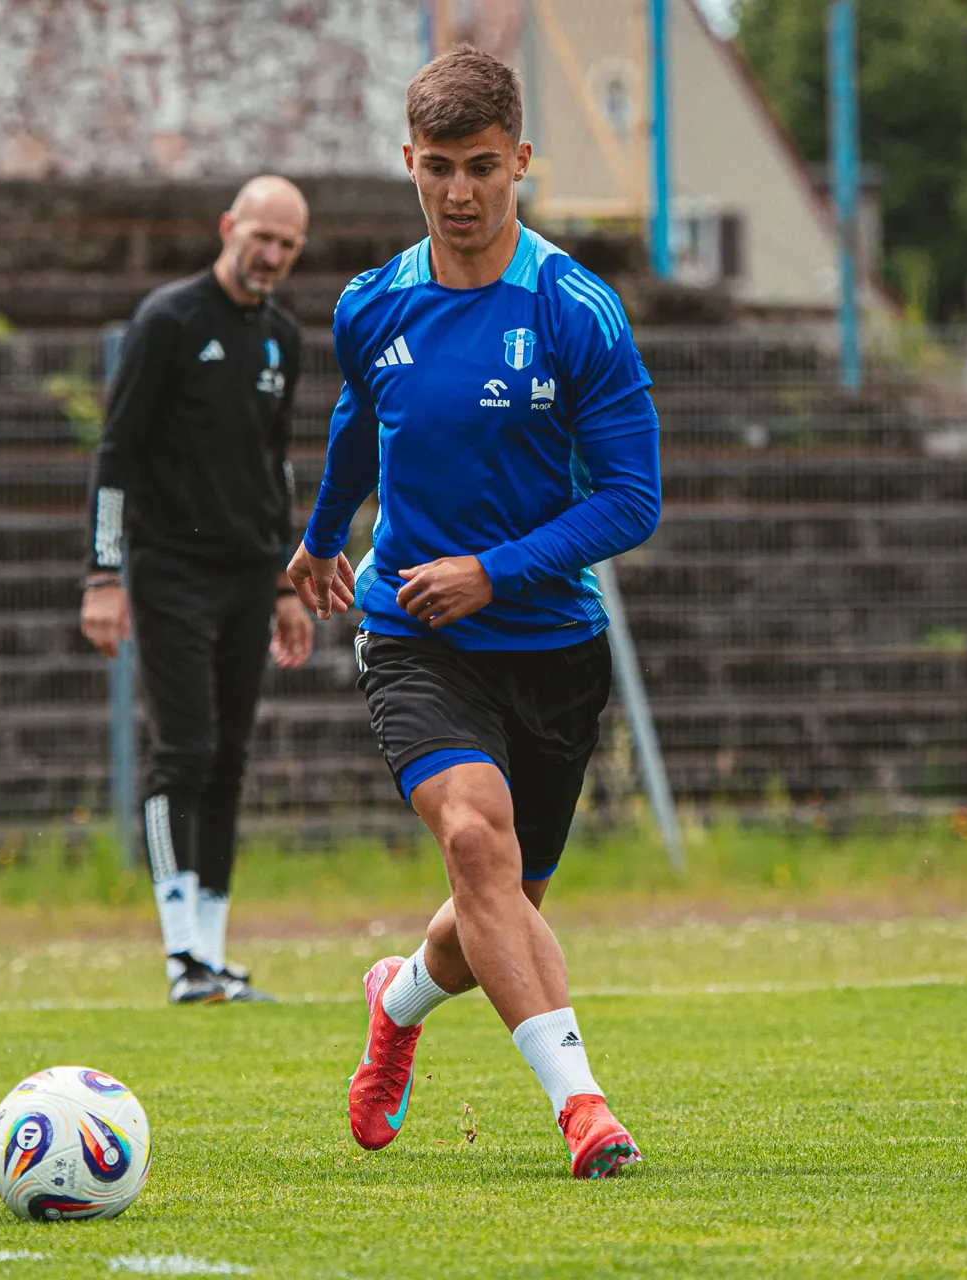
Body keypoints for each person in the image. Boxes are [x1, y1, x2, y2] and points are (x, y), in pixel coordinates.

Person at [288, 48, 660, 1178]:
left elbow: (632, 498)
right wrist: (322, 536)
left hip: (552, 645)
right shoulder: (371, 304)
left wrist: (494, 571)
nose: (459, 193)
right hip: (414, 631)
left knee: (497, 903)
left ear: (522, 162)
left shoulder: (575, 309)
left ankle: (396, 999)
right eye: (438, 168)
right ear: (409, 161)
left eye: (483, 168)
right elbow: (359, 423)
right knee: (471, 839)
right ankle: (583, 1107)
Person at [81, 175, 315, 1004]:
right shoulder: (169, 320)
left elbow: (275, 466)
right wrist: (104, 573)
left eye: (288, 245)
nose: (272, 255)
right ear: (228, 228)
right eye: (262, 237)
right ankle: (181, 952)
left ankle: (213, 954)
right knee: (182, 753)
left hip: (250, 573)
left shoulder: (282, 337)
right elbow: (116, 453)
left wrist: (286, 580)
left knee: (228, 761)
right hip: (170, 568)